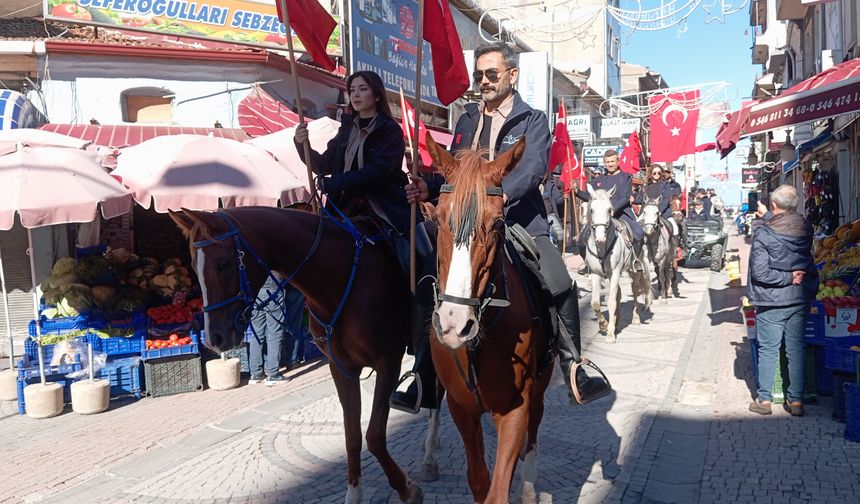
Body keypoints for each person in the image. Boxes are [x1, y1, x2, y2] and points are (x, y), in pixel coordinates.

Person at [390, 42, 609, 413]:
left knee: (559, 281)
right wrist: (429, 186)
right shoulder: (466, 120)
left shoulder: (532, 120)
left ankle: (575, 363)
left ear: (512, 75)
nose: (484, 81)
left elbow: (532, 169)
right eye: (479, 75)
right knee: (427, 284)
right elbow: (453, 172)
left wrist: (496, 199)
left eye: (491, 74)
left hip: (519, 218)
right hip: (466, 224)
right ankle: (421, 374)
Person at [294, 71, 410, 240]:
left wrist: (338, 182)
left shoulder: (390, 130)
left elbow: (378, 170)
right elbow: (324, 165)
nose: (355, 95)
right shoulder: (347, 128)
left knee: (416, 251)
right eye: (352, 90)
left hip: (382, 207)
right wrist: (301, 144)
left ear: (377, 95)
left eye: (362, 89)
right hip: (342, 206)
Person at [747, 185, 818, 416]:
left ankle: (765, 400)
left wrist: (786, 277)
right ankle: (796, 401)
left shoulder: (763, 232)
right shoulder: (805, 228)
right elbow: (785, 225)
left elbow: (761, 273)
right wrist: (768, 215)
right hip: (798, 298)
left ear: (774, 205)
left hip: (772, 300)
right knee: (796, 348)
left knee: (768, 349)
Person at [574, 149, 645, 271]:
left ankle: (635, 260)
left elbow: (625, 197)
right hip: (601, 216)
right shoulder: (599, 180)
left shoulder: (626, 177)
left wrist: (612, 209)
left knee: (639, 233)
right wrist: (577, 192)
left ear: (618, 161)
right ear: (604, 163)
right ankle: (588, 264)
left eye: (612, 161)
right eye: (607, 162)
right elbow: (590, 197)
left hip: (621, 213)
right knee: (581, 238)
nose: (610, 164)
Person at [248, 275, 289, 384]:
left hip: (255, 292)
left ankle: (256, 374)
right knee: (275, 333)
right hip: (273, 289)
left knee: (256, 334)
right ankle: (273, 374)